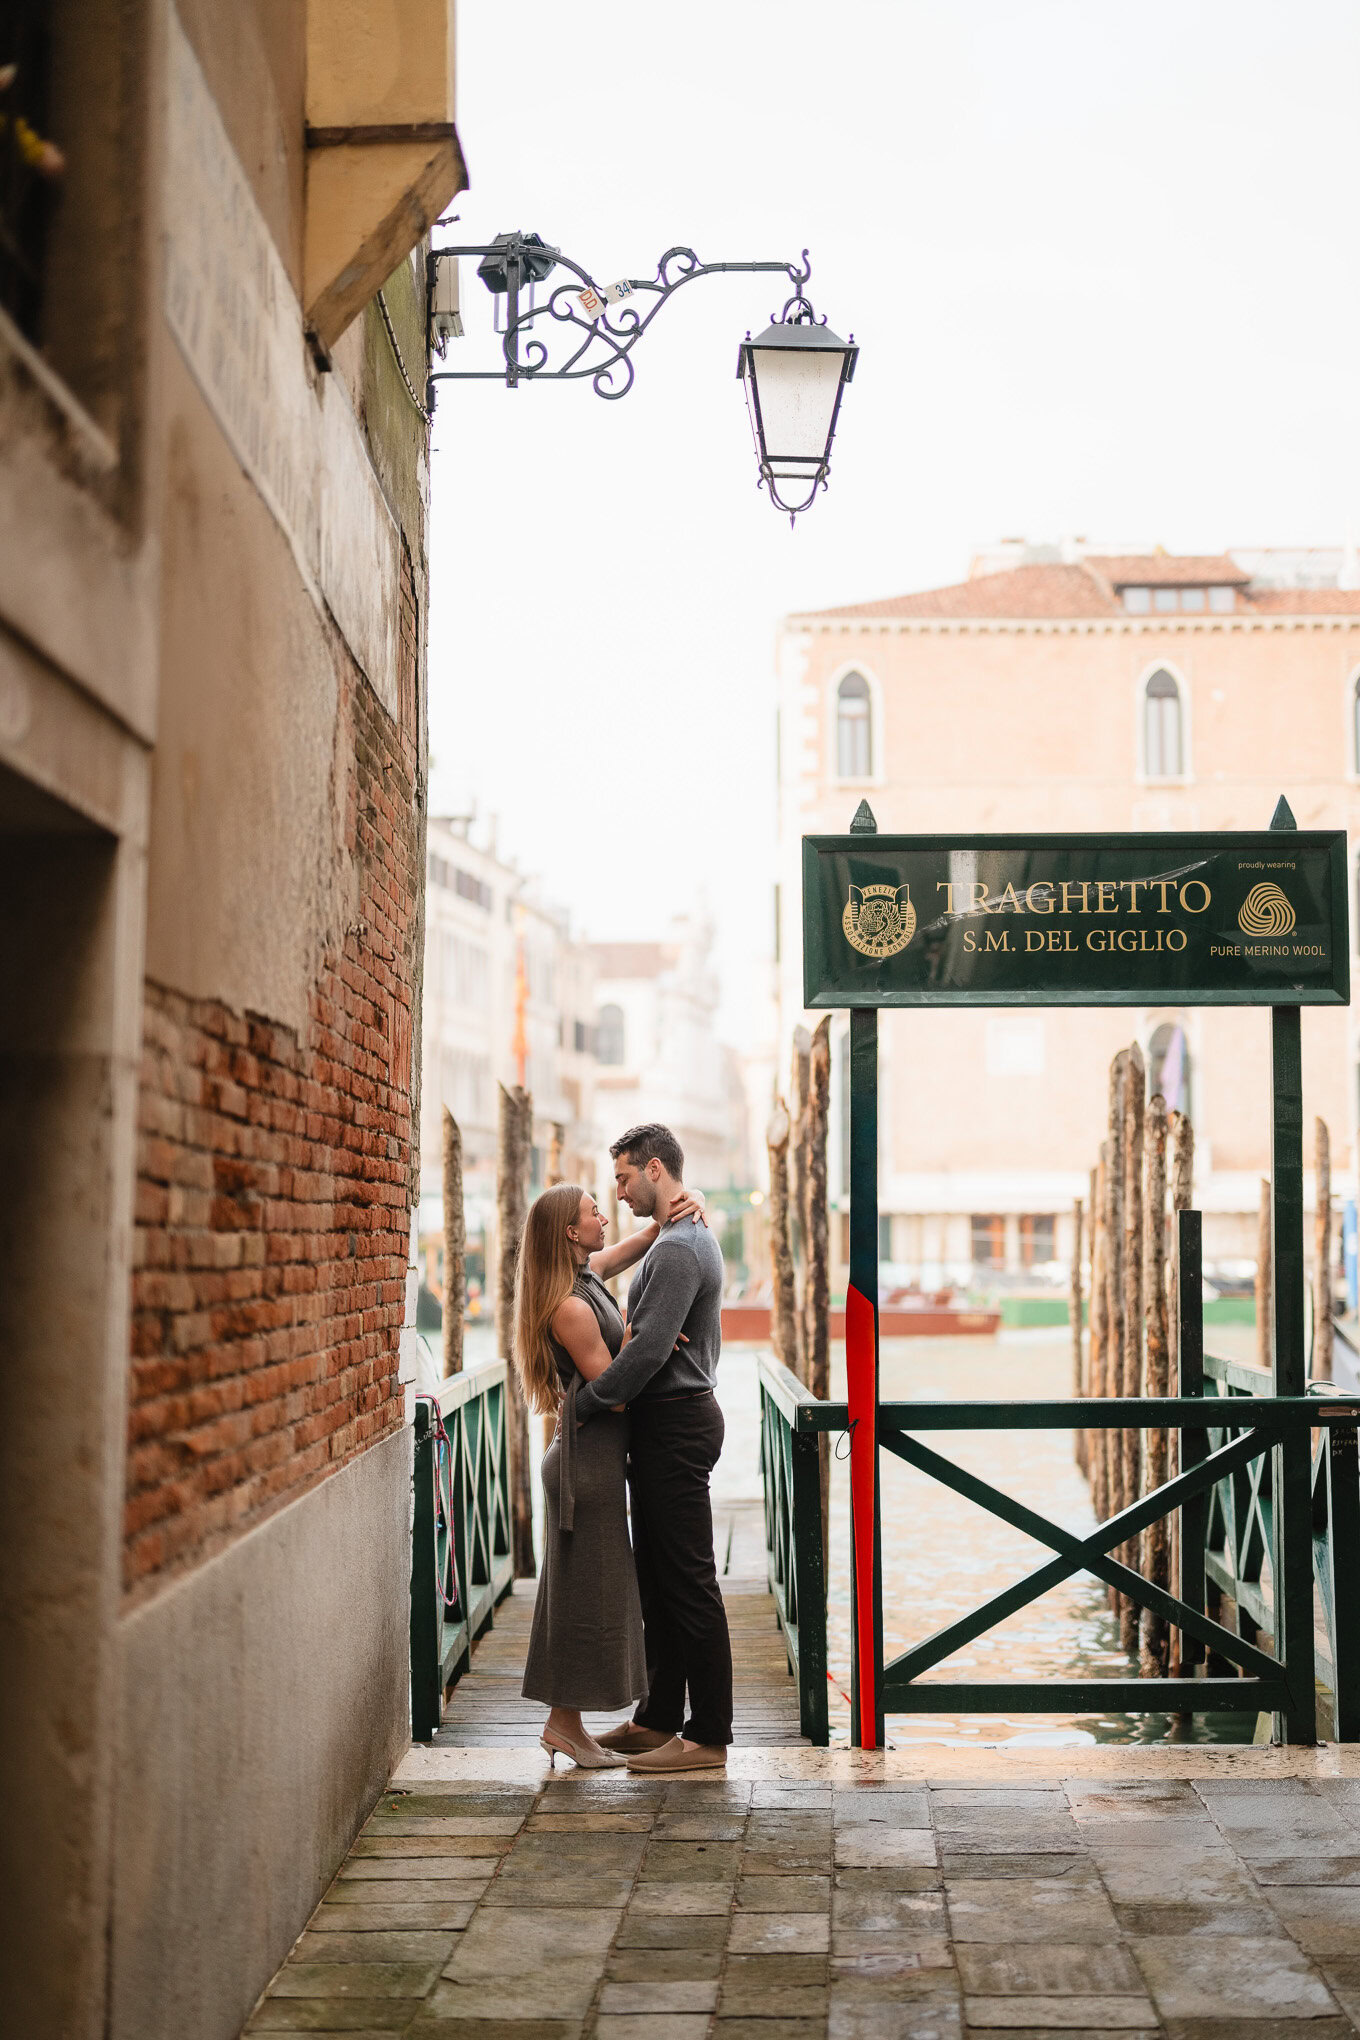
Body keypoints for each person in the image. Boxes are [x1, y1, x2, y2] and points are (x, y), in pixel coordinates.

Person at [514, 1177, 706, 1768]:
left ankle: (566, 1725)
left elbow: (634, 1247)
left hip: (595, 1459)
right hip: (585, 1465)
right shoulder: (569, 1306)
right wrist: (652, 1345)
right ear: (572, 1232)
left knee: (585, 1592)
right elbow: (613, 1391)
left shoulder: (583, 1277)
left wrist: (670, 1220)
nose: (605, 1218)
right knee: (584, 1596)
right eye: (595, 1213)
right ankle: (564, 1726)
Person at [579, 1123, 732, 1774]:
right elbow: (645, 1340)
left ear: (656, 1172)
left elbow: (645, 1352)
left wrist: (583, 1404)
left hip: (676, 1421)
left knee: (688, 1584)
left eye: (623, 1178)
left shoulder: (678, 1249)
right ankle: (657, 1718)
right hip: (668, 1419)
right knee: (659, 1583)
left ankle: (707, 1737)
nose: (617, 1193)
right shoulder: (674, 1237)